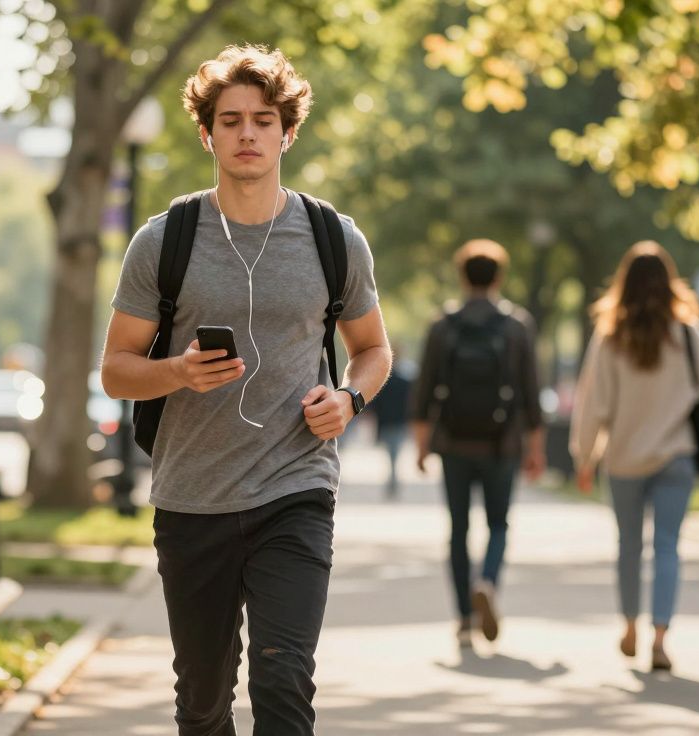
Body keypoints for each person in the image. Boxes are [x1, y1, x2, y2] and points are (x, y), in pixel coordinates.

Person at [100, 45, 390, 736]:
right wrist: (175, 372)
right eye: (230, 121)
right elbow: (115, 367)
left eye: (263, 119)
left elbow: (373, 350)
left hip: (295, 491)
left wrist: (349, 400)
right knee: (202, 704)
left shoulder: (333, 239)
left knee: (283, 676)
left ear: (287, 131)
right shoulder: (163, 241)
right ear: (207, 134)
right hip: (192, 497)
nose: (248, 134)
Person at [570, 241, 699, 672]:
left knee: (628, 547)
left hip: (622, 460)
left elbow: (593, 404)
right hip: (677, 456)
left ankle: (629, 627)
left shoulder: (610, 335)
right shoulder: (687, 331)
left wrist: (584, 456)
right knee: (668, 548)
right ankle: (660, 636)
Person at [412, 239, 546, 647]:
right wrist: (536, 449)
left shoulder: (443, 325)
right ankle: (486, 580)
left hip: (453, 442)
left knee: (458, 528)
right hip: (501, 443)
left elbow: (425, 390)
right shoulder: (516, 325)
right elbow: (530, 393)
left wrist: (421, 447)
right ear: (499, 277)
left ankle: (465, 619)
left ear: (462, 276)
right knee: (498, 523)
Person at [370, 344, 412, 498]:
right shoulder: (405, 382)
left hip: (386, 423)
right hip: (400, 423)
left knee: (391, 454)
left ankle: (392, 481)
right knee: (395, 454)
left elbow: (375, 405)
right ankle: (393, 480)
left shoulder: (382, 383)